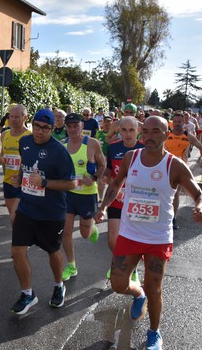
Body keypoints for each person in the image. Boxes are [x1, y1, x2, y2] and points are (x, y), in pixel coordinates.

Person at [94, 116, 202, 350]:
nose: (148, 136)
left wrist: (200, 207)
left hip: (158, 238)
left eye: (155, 132)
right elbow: (115, 185)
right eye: (144, 131)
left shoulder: (174, 165)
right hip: (130, 234)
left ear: (166, 134)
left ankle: (154, 332)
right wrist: (103, 206)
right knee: (117, 284)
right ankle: (138, 295)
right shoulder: (130, 158)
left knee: (154, 287)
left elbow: (200, 195)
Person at [9, 109, 76, 313]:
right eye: (37, 126)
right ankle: (28, 294)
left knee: (53, 252)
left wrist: (45, 182)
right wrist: (20, 178)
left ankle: (58, 286)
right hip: (27, 208)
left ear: (52, 128)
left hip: (51, 213)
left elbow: (72, 183)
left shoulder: (59, 151)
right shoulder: (24, 142)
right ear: (32, 125)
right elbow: (26, 164)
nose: (40, 132)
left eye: (45, 128)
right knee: (17, 251)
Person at [60, 113, 106, 281]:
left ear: (82, 126)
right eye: (69, 126)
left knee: (85, 233)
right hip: (67, 194)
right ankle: (71, 265)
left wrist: (93, 178)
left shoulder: (91, 144)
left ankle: (91, 228)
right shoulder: (62, 145)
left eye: (76, 126)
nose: (72, 129)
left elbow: (102, 164)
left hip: (87, 194)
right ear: (66, 127)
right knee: (66, 231)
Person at [101, 117, 143, 280]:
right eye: (124, 130)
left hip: (137, 203)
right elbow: (110, 170)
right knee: (113, 239)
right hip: (116, 199)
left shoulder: (144, 149)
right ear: (119, 130)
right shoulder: (113, 148)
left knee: (134, 239)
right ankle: (121, 262)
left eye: (131, 130)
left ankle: (131, 268)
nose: (127, 134)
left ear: (138, 131)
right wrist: (105, 177)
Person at [165, 113, 202, 230]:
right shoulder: (166, 135)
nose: (177, 124)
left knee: (175, 194)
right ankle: (162, 216)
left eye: (180, 122)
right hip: (165, 168)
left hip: (180, 170)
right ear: (172, 123)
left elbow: (201, 147)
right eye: (175, 122)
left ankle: (172, 218)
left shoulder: (189, 136)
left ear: (184, 123)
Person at [0, 104, 31, 225]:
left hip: (24, 182)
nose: (13, 120)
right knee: (14, 219)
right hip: (8, 181)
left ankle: (22, 241)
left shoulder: (30, 136)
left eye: (17, 117)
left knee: (15, 217)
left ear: (25, 117)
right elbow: (3, 156)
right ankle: (22, 242)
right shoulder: (5, 135)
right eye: (11, 117)